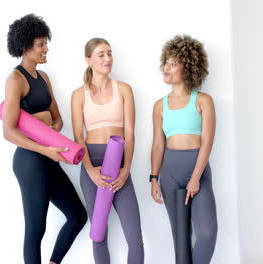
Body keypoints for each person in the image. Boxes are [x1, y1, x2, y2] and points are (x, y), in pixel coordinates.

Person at [2, 14, 87, 264]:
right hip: (30, 161)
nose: (46, 48)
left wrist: (46, 124)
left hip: (50, 156)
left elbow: (57, 119)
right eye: (41, 44)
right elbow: (8, 131)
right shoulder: (15, 80)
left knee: (77, 216)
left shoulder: (44, 78)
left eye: (45, 43)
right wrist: (43, 145)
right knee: (36, 229)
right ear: (26, 46)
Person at [71, 38, 144, 264]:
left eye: (109, 53)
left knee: (135, 237)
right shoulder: (78, 95)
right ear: (89, 60)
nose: (108, 59)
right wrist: (91, 170)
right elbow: (78, 137)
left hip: (119, 165)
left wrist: (125, 170)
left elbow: (130, 133)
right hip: (91, 163)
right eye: (101, 54)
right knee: (98, 234)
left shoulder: (123, 89)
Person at [149, 35, 218, 264]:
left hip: (198, 172)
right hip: (169, 175)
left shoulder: (203, 101)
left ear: (187, 68)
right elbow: (158, 144)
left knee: (207, 234)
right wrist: (154, 178)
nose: (166, 68)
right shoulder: (159, 106)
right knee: (181, 242)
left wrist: (196, 177)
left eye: (173, 63)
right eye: (166, 62)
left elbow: (207, 142)